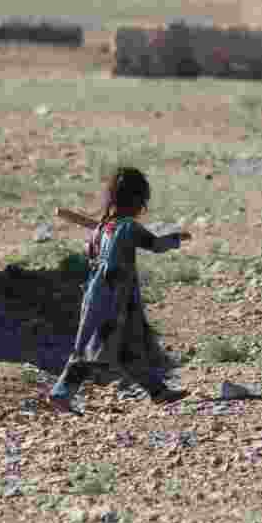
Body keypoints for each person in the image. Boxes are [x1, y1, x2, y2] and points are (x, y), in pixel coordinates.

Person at [49, 167, 192, 411]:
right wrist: (177, 238)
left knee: (127, 347)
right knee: (96, 347)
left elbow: (93, 257)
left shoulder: (102, 228)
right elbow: (155, 244)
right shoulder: (127, 227)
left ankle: (158, 391)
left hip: (98, 294)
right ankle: (61, 393)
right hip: (115, 298)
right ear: (138, 200)